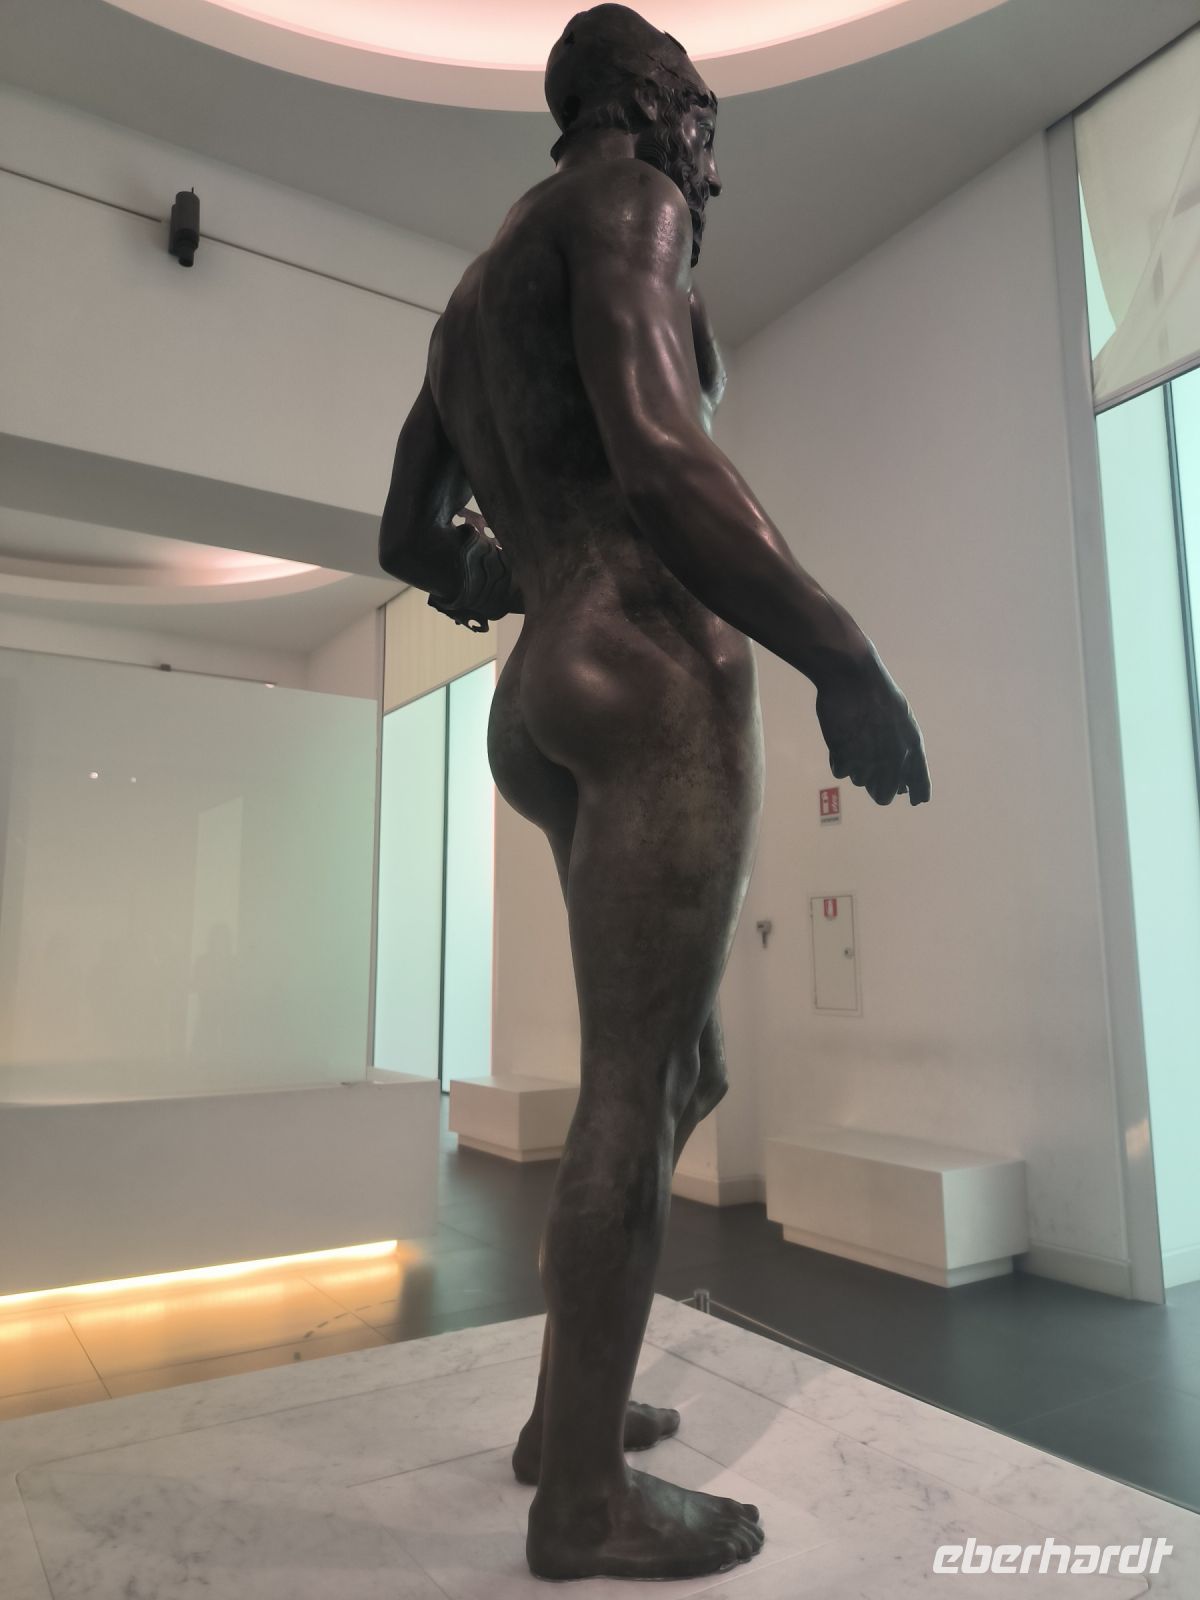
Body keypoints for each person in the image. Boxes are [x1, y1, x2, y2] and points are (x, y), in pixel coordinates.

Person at [379, 5, 930, 1580]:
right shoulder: (628, 205)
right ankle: (581, 1504)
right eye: (702, 114)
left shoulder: (469, 305)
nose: (712, 155)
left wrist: (521, 579)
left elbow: (408, 540)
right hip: (653, 674)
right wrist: (844, 656)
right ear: (641, 99)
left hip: (546, 682)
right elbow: (664, 456)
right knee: (640, 1081)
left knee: (680, 1070)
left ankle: (569, 1414)